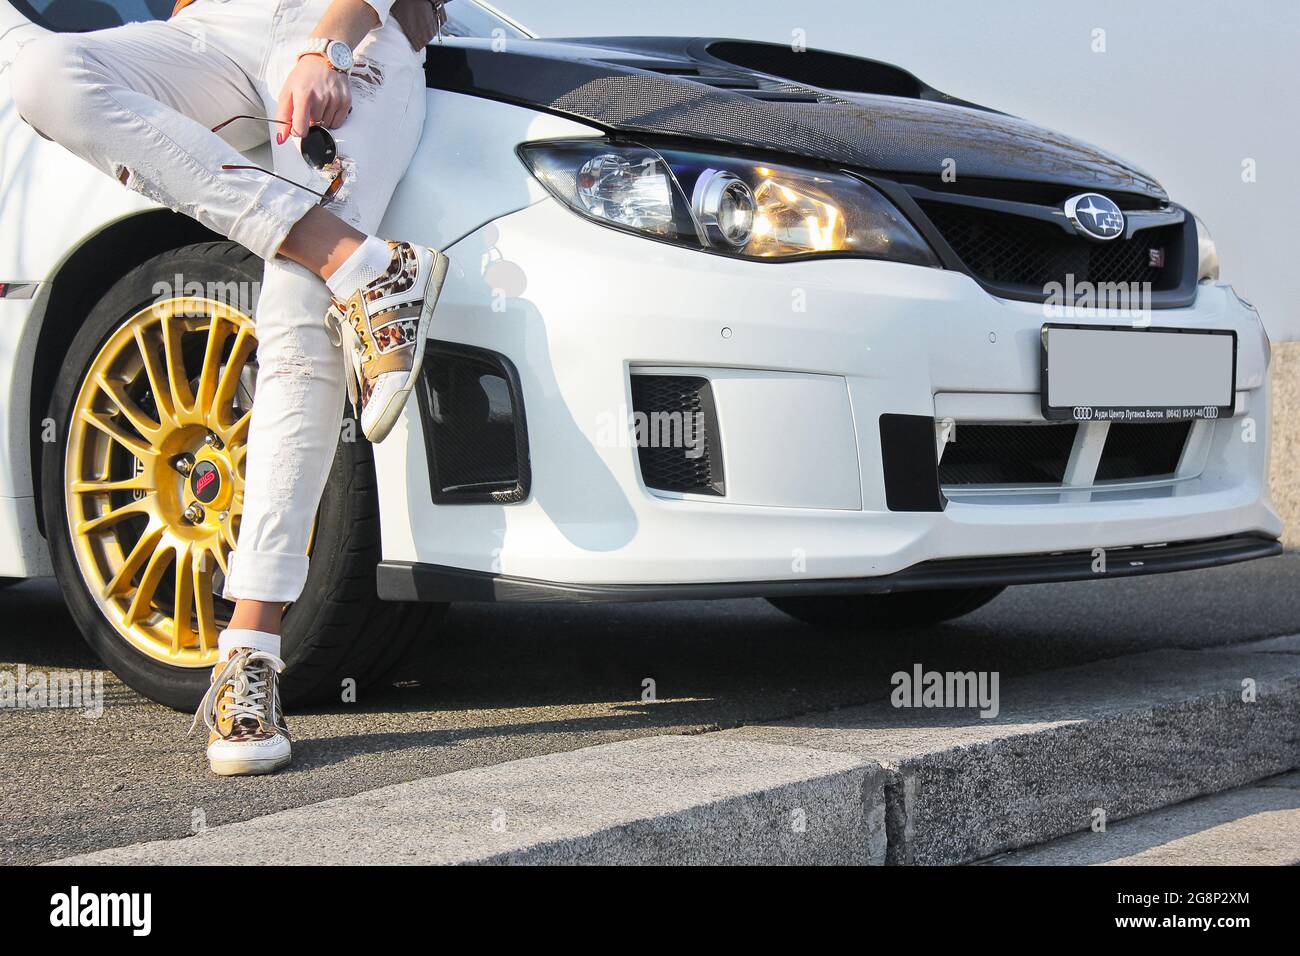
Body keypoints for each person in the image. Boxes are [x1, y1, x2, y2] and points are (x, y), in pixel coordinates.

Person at [9, 0, 452, 776]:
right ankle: (359, 261)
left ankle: (248, 656)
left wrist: (328, 50)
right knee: (48, 74)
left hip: (354, 32)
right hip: (212, 31)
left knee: (294, 312)